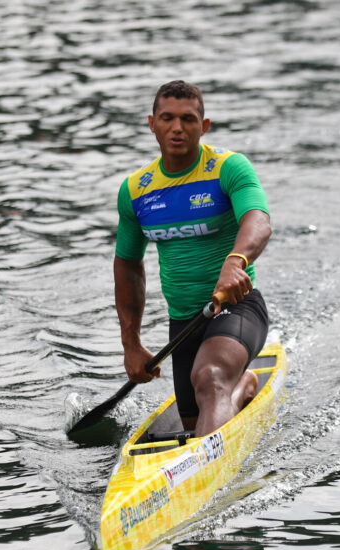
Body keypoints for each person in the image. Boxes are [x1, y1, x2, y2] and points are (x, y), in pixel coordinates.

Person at [113, 80, 272, 437]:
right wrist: (131, 344)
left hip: (236, 307)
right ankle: (243, 386)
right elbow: (127, 266)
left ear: (204, 126)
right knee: (194, 417)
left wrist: (235, 262)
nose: (177, 128)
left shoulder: (228, 168)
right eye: (167, 118)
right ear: (151, 123)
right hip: (184, 323)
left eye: (188, 119)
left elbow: (258, 220)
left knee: (210, 378)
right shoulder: (136, 191)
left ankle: (207, 461)